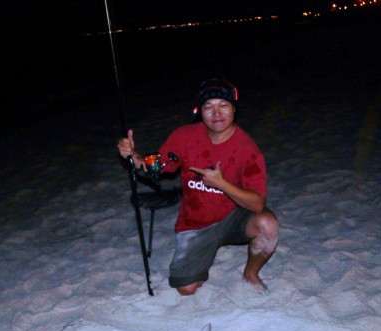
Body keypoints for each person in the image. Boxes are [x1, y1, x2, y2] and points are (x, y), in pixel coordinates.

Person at [117, 79, 279, 296]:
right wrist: (132, 156)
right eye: (208, 107)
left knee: (267, 224)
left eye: (223, 105)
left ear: (234, 109)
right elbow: (155, 169)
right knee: (186, 288)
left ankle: (251, 273)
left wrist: (222, 184)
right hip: (195, 224)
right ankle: (203, 253)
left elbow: (258, 204)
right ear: (199, 111)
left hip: (233, 217)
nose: (217, 113)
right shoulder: (184, 137)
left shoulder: (248, 149)